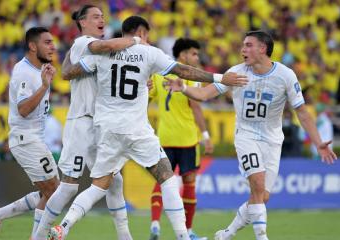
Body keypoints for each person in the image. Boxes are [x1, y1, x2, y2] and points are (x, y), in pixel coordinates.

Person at [48, 15, 247, 240]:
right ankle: (182, 236)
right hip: (137, 130)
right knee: (168, 179)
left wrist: (68, 55)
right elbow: (184, 71)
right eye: (147, 34)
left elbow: (68, 74)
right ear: (140, 33)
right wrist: (220, 77)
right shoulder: (149, 53)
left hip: (107, 130)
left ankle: (64, 226)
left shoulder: (101, 54)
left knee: (99, 186)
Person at [166, 30, 337, 240]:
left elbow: (301, 112)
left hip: (273, 140)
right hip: (246, 136)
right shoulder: (236, 73)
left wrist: (318, 142)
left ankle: (227, 233)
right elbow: (203, 94)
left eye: (248, 45)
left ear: (262, 49)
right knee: (257, 183)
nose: (242, 49)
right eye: (243, 45)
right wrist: (183, 87)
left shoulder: (285, 76)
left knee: (261, 197)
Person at [33, 5, 141, 240]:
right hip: (81, 123)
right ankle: (39, 236)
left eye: (103, 16)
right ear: (82, 22)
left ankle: (125, 237)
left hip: (99, 125)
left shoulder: (96, 52)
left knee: (114, 180)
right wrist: (135, 40)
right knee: (69, 185)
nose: (101, 19)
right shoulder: (84, 42)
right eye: (95, 17)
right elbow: (104, 46)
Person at [0, 27, 59, 240]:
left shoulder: (39, 70)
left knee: (52, 191)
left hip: (34, 139)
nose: (53, 46)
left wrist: (45, 83)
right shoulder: (23, 70)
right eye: (47, 42)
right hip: (26, 140)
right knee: (55, 192)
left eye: (53, 42)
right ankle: (37, 237)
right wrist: (44, 87)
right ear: (33, 46)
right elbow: (23, 110)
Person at [148, 38, 212, 240]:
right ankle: (189, 232)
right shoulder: (191, 79)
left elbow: (147, 97)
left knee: (162, 180)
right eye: (193, 53)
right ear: (182, 55)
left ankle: (155, 223)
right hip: (187, 140)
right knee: (189, 185)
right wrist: (206, 136)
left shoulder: (158, 74)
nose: (196, 57)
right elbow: (197, 108)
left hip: (164, 138)